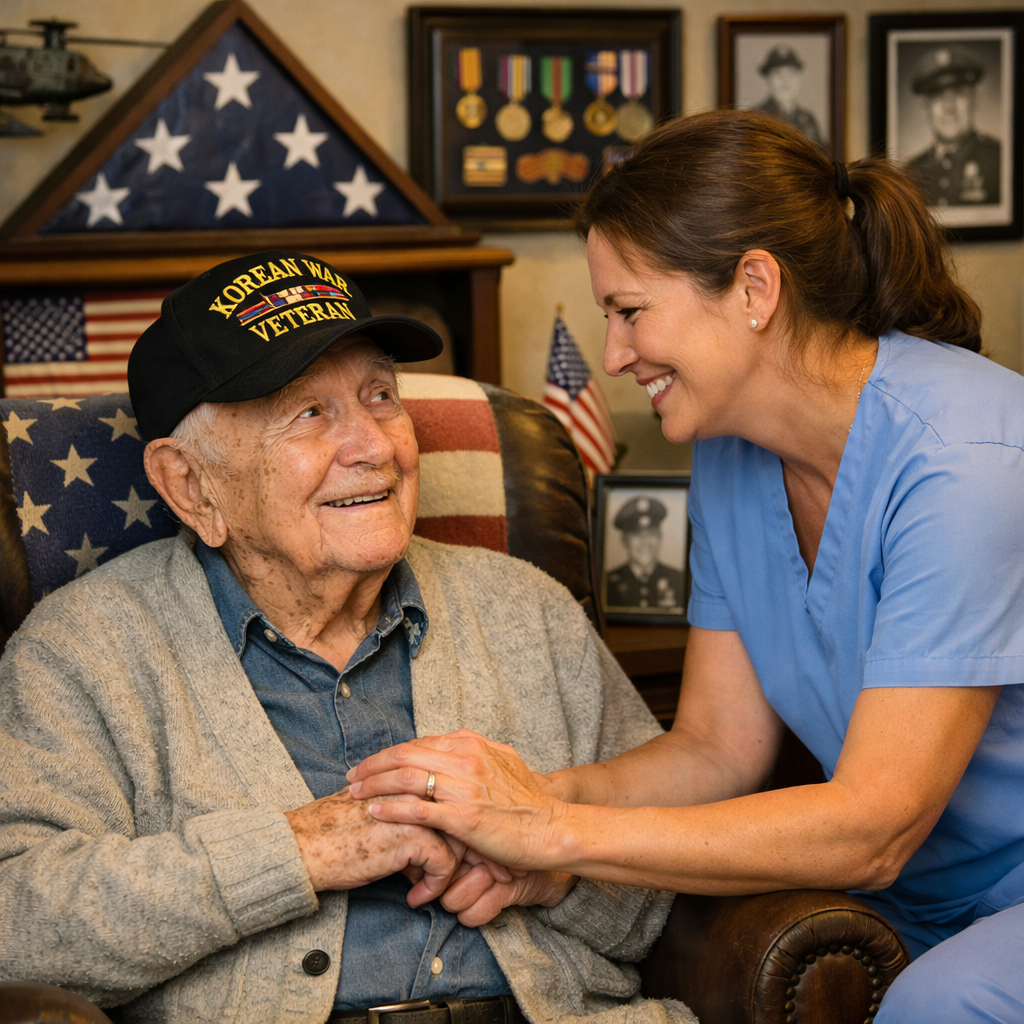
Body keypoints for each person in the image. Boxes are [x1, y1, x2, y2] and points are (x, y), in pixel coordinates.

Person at [348, 111, 1024, 1023]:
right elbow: (716, 748)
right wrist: (514, 808)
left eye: (630, 311)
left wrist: (550, 831)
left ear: (754, 287)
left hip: (975, 890)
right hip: (920, 896)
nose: (616, 355)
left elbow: (874, 827)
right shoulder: (732, 449)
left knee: (935, 1007)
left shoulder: (970, 457)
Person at [0, 251, 692, 1024]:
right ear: (191, 485)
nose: (376, 445)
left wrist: (558, 868)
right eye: (309, 413)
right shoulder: (83, 649)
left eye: (381, 396)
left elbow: (668, 886)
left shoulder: (528, 609)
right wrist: (301, 849)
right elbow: (17, 928)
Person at [907, 45, 1001, 206]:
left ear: (974, 98)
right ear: (925, 106)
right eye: (937, 96)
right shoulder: (910, 173)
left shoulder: (1000, 160)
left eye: (959, 93)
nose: (948, 108)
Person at [604, 496, 683, 611]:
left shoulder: (678, 580)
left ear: (660, 537)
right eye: (637, 534)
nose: (645, 542)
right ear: (624, 540)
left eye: (651, 533)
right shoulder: (607, 583)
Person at [754, 45, 825, 150]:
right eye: (778, 74)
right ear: (768, 79)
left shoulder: (808, 120)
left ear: (798, 79)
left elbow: (822, 159)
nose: (785, 81)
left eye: (791, 74)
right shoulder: (756, 117)